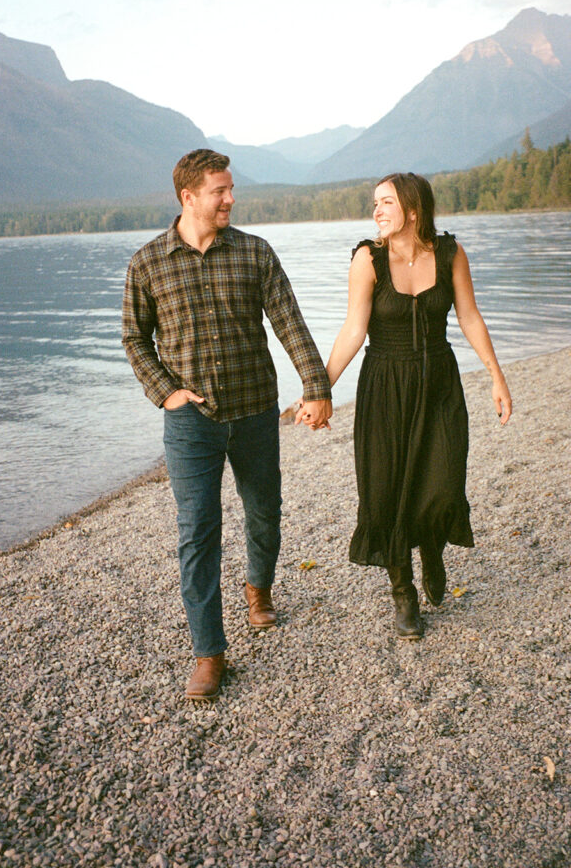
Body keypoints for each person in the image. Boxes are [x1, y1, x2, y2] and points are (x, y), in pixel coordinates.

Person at [122, 149, 332, 699]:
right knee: (198, 530)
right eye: (220, 190)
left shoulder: (254, 252)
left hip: (257, 410)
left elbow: (289, 322)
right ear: (188, 197)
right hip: (192, 421)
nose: (231, 199)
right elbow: (134, 340)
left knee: (265, 511)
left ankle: (258, 589)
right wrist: (165, 392)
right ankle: (209, 652)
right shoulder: (147, 263)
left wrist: (316, 387)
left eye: (231, 188)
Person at [325, 172, 512, 639]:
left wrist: (495, 374)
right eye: (374, 203)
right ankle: (403, 591)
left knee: (443, 481)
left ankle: (431, 546)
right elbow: (353, 329)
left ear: (412, 209)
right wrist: (320, 389)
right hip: (384, 386)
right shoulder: (367, 259)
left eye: (386, 202)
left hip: (439, 383)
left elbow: (469, 314)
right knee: (386, 490)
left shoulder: (449, 253)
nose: (376, 211)